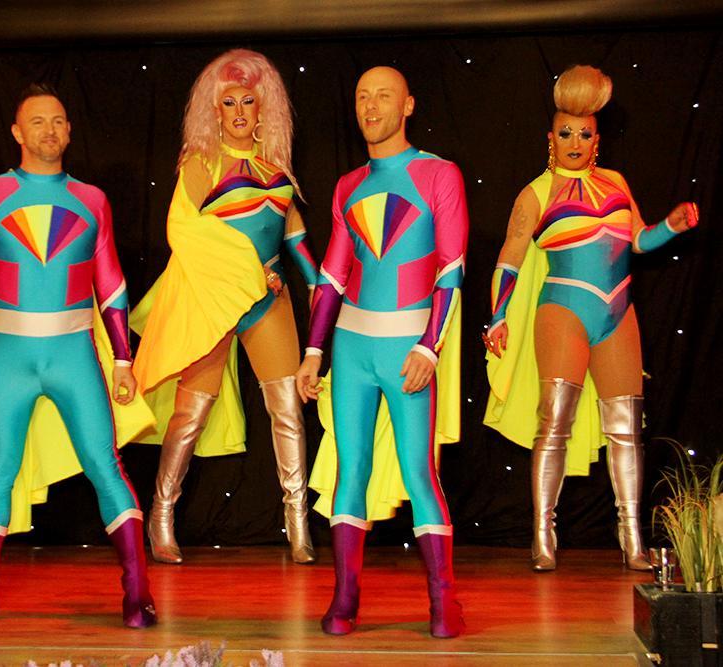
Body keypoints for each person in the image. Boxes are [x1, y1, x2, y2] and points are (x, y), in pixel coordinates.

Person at [0, 84, 156, 628]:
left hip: (74, 352)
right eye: (38, 122)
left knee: (105, 465)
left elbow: (111, 285)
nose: (49, 130)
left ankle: (137, 590)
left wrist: (123, 359)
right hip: (10, 355)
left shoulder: (92, 199)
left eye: (58, 121)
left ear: (69, 131)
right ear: (17, 132)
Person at [483, 65, 699, 572]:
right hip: (564, 311)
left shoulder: (616, 183)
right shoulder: (536, 194)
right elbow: (509, 260)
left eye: (584, 134)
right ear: (550, 139)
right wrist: (497, 317)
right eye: (566, 133)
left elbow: (639, 240)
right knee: (554, 421)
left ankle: (633, 540)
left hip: (618, 314)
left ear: (597, 140)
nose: (575, 142)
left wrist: (671, 226)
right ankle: (543, 534)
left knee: (626, 428)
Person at [296, 66, 467, 638]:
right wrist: (314, 351)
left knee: (419, 472)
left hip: (408, 344)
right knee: (351, 471)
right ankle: (344, 600)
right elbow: (332, 276)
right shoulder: (348, 185)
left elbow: (451, 268)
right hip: (352, 347)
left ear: (408, 105)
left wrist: (430, 346)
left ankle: (443, 602)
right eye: (362, 96)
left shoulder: (439, 174)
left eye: (383, 96)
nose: (371, 106)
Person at [131, 49, 319, 565]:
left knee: (287, 410)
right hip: (212, 301)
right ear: (215, 110)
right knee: (190, 413)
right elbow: (182, 232)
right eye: (229, 102)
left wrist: (318, 288)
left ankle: (298, 522)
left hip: (267, 301)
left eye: (248, 101)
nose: (239, 111)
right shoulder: (200, 165)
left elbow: (295, 240)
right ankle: (161, 515)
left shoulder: (276, 169)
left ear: (263, 109)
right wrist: (249, 272)